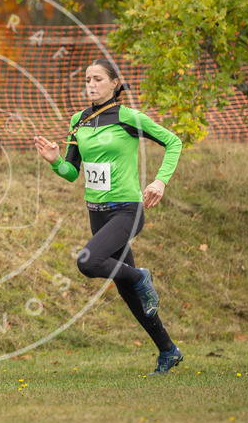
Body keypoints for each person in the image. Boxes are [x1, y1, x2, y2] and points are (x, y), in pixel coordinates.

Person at [33, 57, 184, 375]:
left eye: (98, 79)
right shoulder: (79, 120)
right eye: (87, 79)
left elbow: (173, 142)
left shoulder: (128, 117)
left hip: (127, 210)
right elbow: (71, 172)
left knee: (88, 262)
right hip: (97, 213)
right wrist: (55, 160)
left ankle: (141, 277)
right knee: (129, 293)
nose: (91, 84)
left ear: (115, 84)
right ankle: (168, 350)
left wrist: (159, 181)